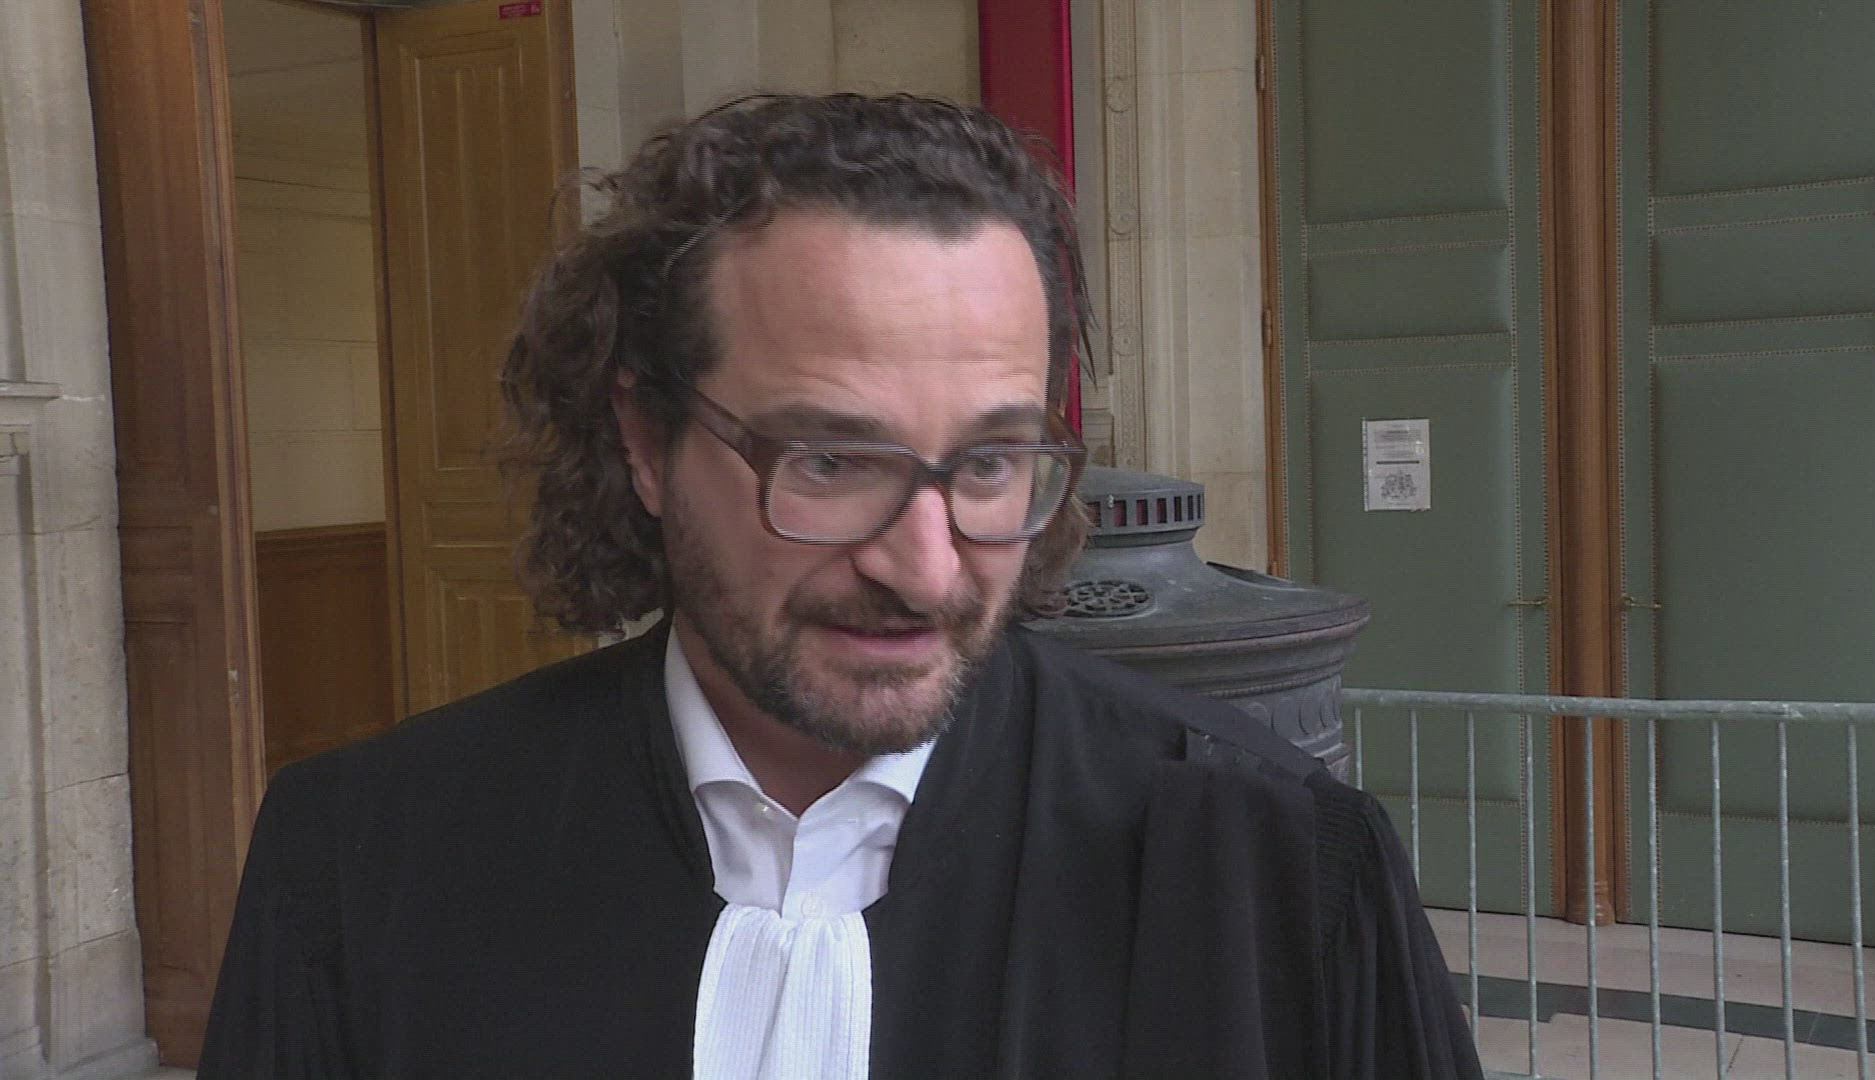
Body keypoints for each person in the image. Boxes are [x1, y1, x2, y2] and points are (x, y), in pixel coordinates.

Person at [199, 93, 1482, 1079]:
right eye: (826, 459)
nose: (925, 568)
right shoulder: (364, 862)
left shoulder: (1281, 870)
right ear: (645, 440)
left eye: (989, 463)